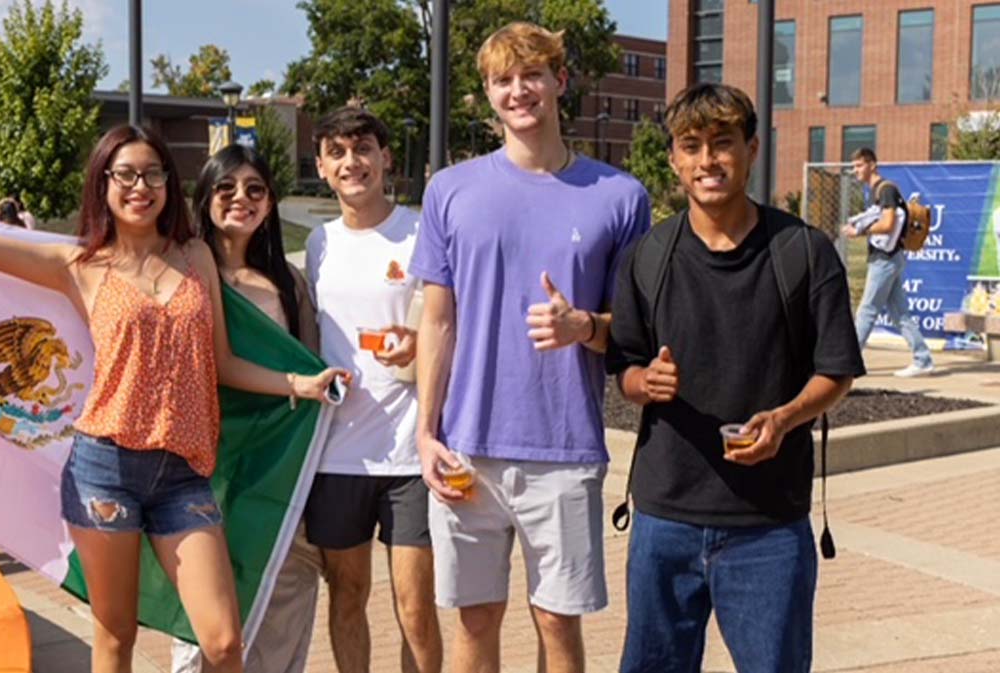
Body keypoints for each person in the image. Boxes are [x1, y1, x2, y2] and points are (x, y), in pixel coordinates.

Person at [0, 124, 350, 673]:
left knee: (225, 641)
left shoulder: (194, 258)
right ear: (103, 184)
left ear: (168, 183)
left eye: (152, 174)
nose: (140, 187)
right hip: (106, 472)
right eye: (125, 175)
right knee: (116, 635)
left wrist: (297, 384)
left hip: (183, 475)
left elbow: (222, 362)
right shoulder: (80, 265)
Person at [408, 23, 649, 673]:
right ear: (488, 94)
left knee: (557, 624)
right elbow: (437, 322)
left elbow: (632, 328)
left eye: (532, 75)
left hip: (564, 449)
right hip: (464, 450)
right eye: (502, 80)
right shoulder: (449, 190)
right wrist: (426, 434)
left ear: (560, 81)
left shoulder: (620, 197)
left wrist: (584, 326)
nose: (518, 91)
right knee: (475, 621)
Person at [605, 83, 864, 673]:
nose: (707, 161)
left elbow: (836, 372)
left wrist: (785, 418)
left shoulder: (803, 251)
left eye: (722, 143)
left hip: (769, 527)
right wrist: (646, 382)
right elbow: (623, 367)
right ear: (674, 158)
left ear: (751, 150)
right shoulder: (648, 256)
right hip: (664, 519)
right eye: (691, 146)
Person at [169, 145, 325, 673]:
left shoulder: (288, 283)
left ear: (271, 203)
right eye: (226, 188)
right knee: (203, 608)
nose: (241, 198)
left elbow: (309, 363)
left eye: (255, 189)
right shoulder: (181, 270)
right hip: (204, 463)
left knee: (282, 587)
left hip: (273, 464)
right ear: (205, 197)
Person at [303, 107, 442, 673]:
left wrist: (420, 345)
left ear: (385, 158)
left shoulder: (421, 232)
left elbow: (449, 324)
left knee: (416, 609)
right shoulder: (319, 243)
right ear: (321, 166)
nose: (351, 162)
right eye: (336, 152)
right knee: (347, 596)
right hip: (338, 455)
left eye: (362, 149)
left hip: (411, 452)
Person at [841, 147, 935, 377]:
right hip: (889, 258)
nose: (856, 170)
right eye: (854, 166)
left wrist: (858, 231)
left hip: (885, 260)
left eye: (859, 165)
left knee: (867, 310)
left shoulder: (886, 190)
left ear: (872, 165)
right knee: (900, 314)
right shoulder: (877, 191)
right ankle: (923, 359)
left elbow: (888, 224)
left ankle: (847, 364)